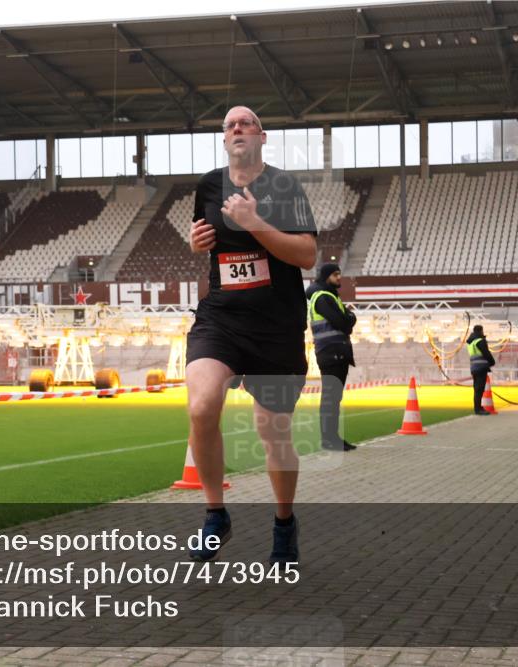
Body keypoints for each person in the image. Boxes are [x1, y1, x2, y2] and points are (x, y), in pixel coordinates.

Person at [186, 105, 318, 565]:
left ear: (262, 136)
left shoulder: (285, 186)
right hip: (221, 318)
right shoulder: (207, 185)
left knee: (273, 430)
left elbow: (306, 255)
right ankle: (215, 513)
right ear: (224, 140)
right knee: (201, 405)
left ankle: (284, 523)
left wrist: (254, 223)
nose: (237, 128)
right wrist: (196, 242)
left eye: (246, 123)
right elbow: (201, 239)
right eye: (229, 125)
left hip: (276, 325)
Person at [305, 263, 357, 452]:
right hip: (331, 351)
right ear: (327, 276)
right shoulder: (324, 297)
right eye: (336, 275)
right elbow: (344, 322)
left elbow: (347, 320)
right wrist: (349, 319)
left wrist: (348, 319)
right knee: (331, 398)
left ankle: (332, 438)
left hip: (333, 351)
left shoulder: (329, 296)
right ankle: (329, 439)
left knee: (333, 398)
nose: (339, 278)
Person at [466, 324, 496, 415]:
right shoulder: (480, 341)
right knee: (480, 389)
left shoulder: (470, 342)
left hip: (474, 368)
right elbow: (486, 354)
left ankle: (477, 407)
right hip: (481, 368)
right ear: (481, 331)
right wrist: (492, 362)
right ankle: (478, 409)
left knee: (476, 389)